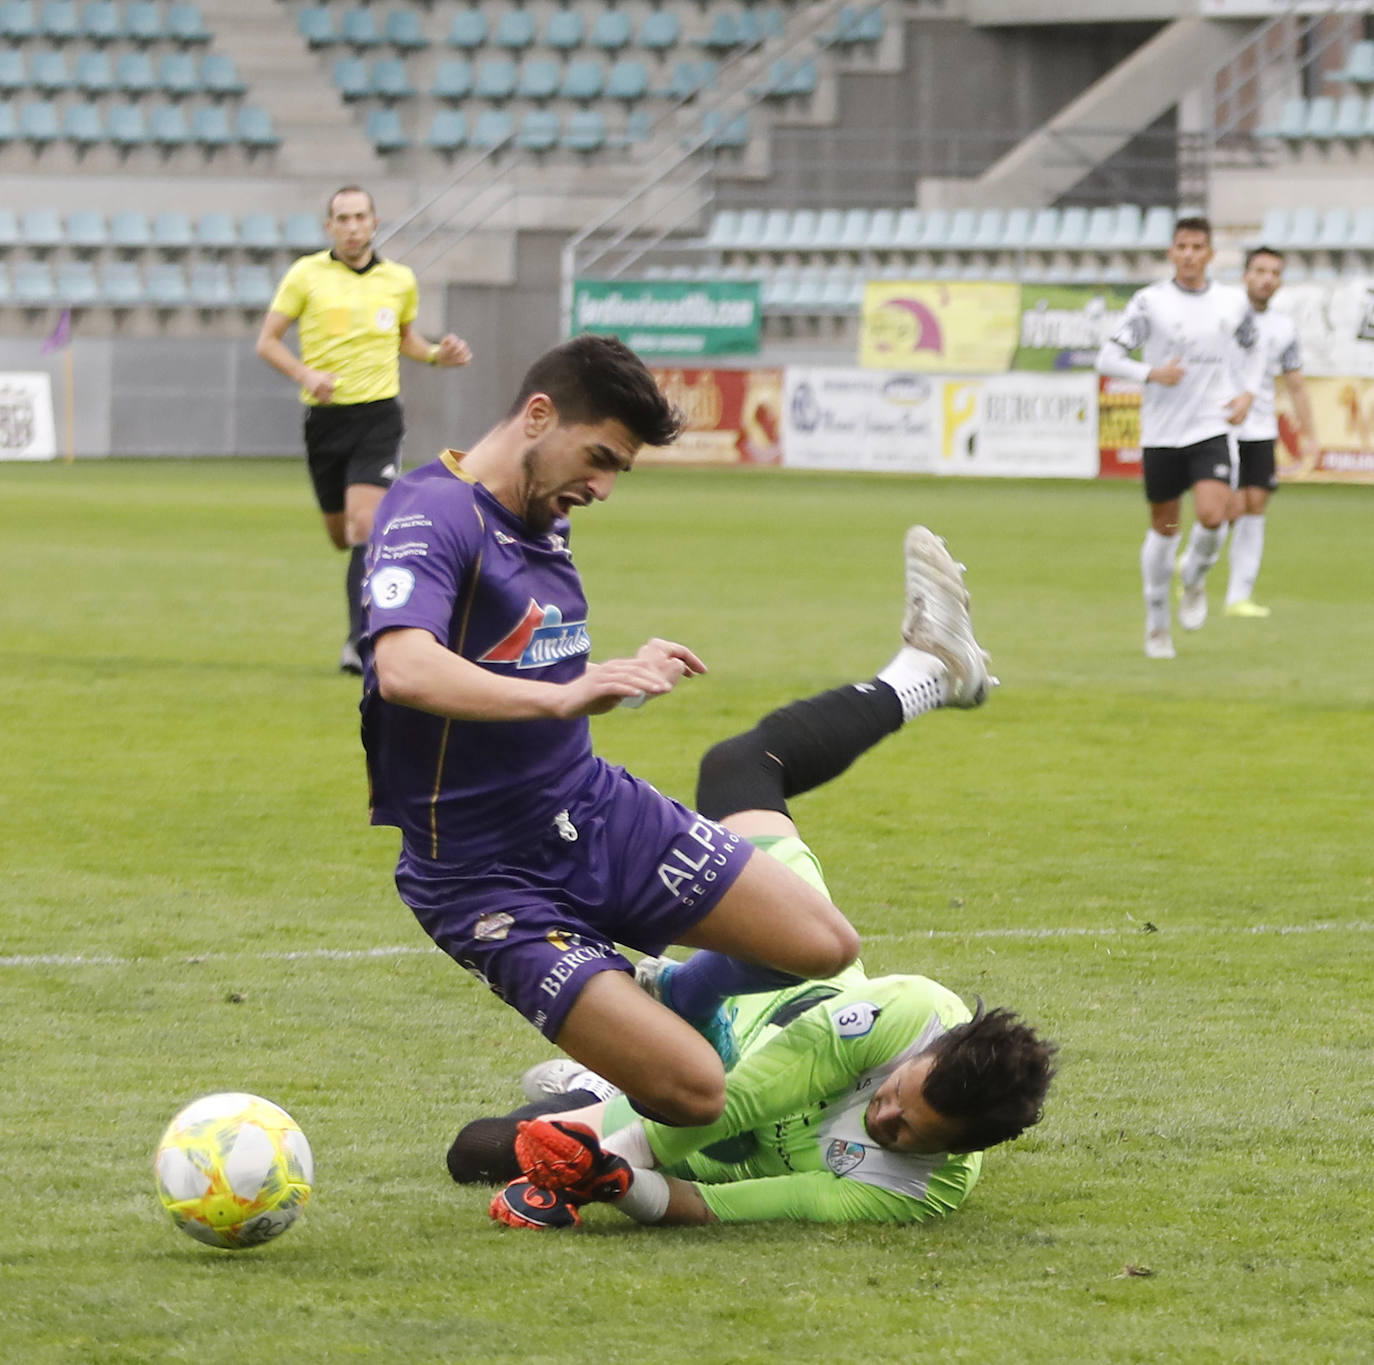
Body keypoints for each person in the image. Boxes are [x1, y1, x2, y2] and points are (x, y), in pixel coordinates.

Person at [359, 338, 993, 1130]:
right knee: (697, 1093)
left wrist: (618, 673)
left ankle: (665, 996)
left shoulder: (542, 514)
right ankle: (614, 1076)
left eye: (618, 467)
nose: (603, 486)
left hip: (591, 810)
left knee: (822, 944)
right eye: (598, 458)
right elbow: (406, 669)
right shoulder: (431, 511)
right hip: (484, 876)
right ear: (538, 415)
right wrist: (564, 696)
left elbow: (519, 652)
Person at [444, 615, 1054, 1229]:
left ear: (958, 1150)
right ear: (930, 1051)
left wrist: (612, 1181)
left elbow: (716, 1207)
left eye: (909, 1133)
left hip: (714, 1142)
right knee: (740, 766)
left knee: (480, 1150)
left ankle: (611, 1075)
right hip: (766, 1011)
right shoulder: (914, 1016)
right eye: (896, 1095)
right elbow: (741, 1099)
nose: (883, 1117)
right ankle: (923, 675)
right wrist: (614, 1147)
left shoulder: (917, 1191)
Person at [256, 185, 473, 675]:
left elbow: (406, 340)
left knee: (365, 525)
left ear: (375, 223)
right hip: (325, 420)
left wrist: (438, 355)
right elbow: (267, 342)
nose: (352, 226)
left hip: (378, 415)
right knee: (342, 534)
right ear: (329, 227)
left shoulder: (399, 280)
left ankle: (360, 642)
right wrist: (306, 375)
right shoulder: (305, 275)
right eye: (342, 218)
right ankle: (362, 626)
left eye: (360, 217)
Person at [1096, 216, 1268, 660]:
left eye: (1198, 247)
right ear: (1172, 253)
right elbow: (1107, 358)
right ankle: (1156, 623)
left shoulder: (1232, 302)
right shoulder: (1149, 302)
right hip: (1162, 433)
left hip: (1211, 426)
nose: (1190, 254)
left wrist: (1247, 391)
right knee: (1166, 526)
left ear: (1210, 254)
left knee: (1214, 514)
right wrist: (1151, 372)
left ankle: (1193, 577)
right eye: (1182, 247)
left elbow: (1255, 346)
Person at [1222, 246, 1319, 618]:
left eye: (1275, 272)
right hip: (1220, 423)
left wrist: (1310, 434)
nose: (1267, 278)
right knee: (1226, 506)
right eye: (1260, 270)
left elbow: (1295, 384)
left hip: (1260, 426)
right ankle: (1194, 562)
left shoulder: (1283, 327)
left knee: (1255, 506)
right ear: (1245, 275)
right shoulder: (1223, 315)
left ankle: (1238, 597)